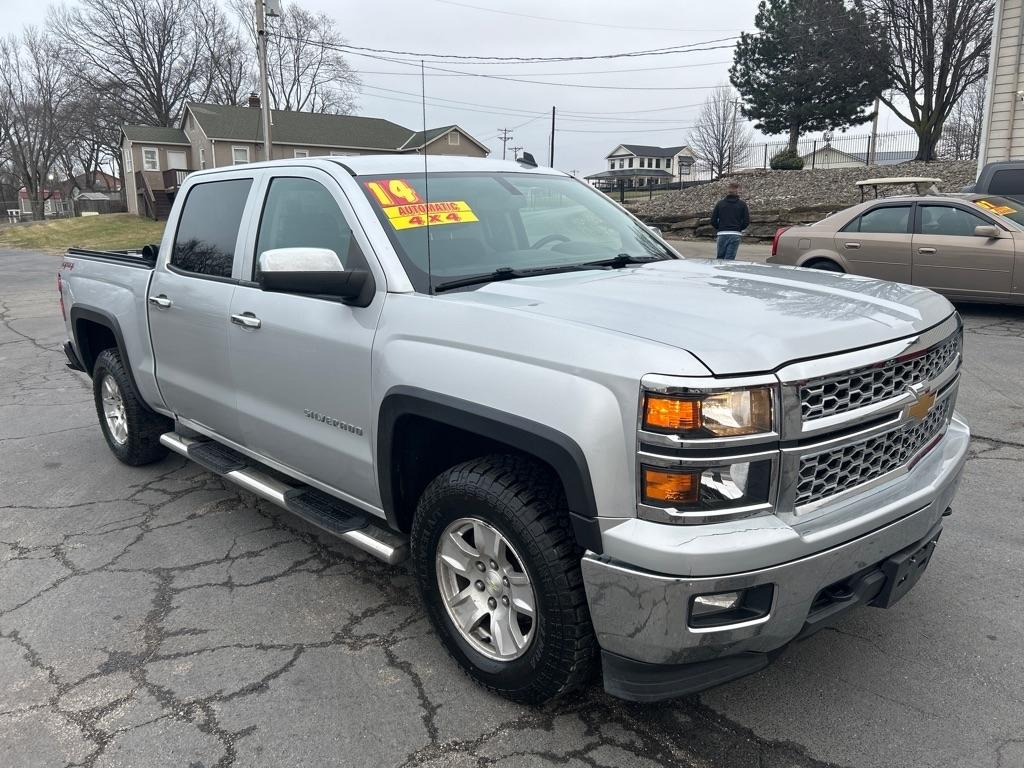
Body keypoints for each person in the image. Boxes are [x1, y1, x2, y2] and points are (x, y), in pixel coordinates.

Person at [711, 182, 750, 260]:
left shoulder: (720, 204)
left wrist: (720, 227)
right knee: (729, 260)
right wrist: (739, 228)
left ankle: (718, 272)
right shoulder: (742, 204)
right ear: (737, 190)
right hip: (735, 233)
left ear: (728, 190)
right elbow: (746, 221)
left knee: (720, 258)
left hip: (722, 233)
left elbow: (713, 220)